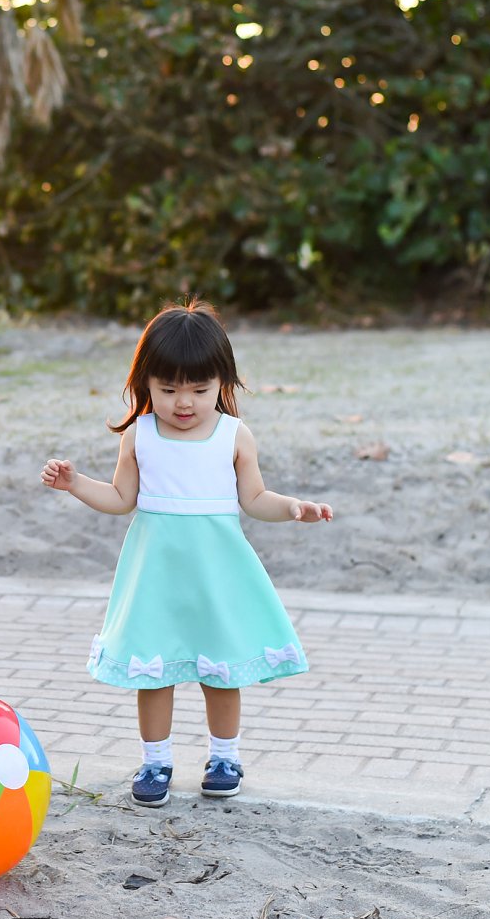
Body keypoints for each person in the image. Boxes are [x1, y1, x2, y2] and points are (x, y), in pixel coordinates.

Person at [40, 299, 332, 808]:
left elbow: (255, 500)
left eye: (199, 389)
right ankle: (156, 761)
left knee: (220, 671)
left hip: (217, 577)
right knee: (155, 675)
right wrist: (74, 484)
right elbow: (119, 499)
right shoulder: (141, 436)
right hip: (155, 578)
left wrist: (294, 509)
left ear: (223, 383)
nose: (184, 402)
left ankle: (225, 756)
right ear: (144, 384)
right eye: (168, 388)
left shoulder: (233, 436)